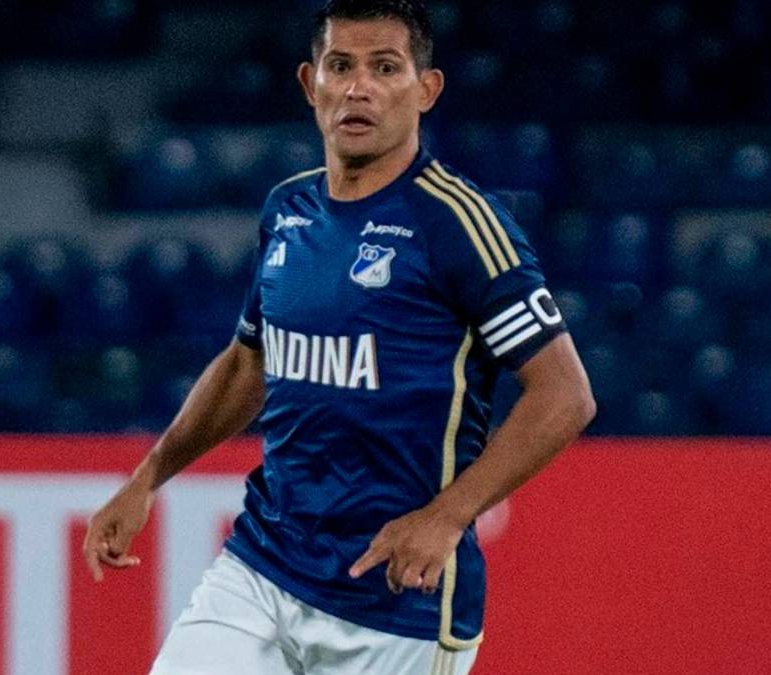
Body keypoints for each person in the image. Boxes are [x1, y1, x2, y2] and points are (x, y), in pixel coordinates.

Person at [82, 1, 596, 673]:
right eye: (341, 66)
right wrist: (148, 478)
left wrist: (447, 516)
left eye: (384, 68)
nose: (358, 88)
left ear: (426, 89)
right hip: (263, 567)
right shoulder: (288, 209)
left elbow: (564, 394)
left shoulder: (459, 225)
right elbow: (248, 365)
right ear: (310, 83)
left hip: (397, 599)